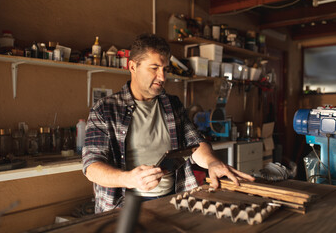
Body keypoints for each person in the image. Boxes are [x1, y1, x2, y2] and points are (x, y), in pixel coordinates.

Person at [82, 33, 255, 213]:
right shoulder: (105, 109)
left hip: (172, 200)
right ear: (132, 66)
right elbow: (92, 166)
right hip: (124, 206)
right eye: (154, 68)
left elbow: (195, 143)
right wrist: (129, 179)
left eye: (165, 69)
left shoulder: (172, 104)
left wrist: (212, 162)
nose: (162, 77)